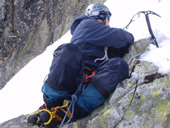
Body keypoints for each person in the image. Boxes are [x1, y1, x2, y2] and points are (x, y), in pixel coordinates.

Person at [27, 3, 134, 127]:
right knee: (69, 50)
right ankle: (52, 104)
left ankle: (68, 112)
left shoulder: (101, 38)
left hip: (90, 83)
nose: (108, 23)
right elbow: (125, 37)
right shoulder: (87, 25)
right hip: (75, 79)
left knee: (119, 65)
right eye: (108, 19)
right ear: (104, 17)